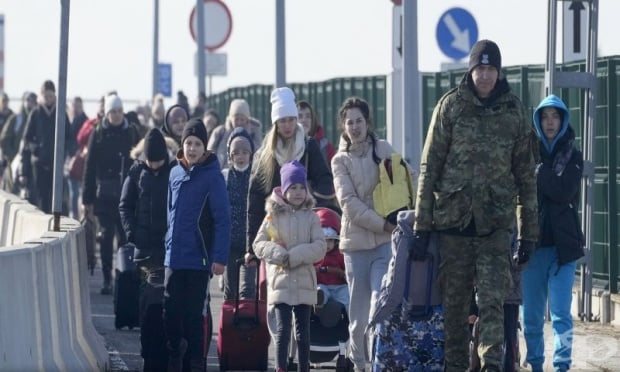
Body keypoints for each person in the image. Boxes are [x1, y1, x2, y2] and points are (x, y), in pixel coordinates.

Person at [413, 39, 539, 371]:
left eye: (491, 69)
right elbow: (430, 168)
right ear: (470, 71)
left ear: (499, 72)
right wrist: (421, 227)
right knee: (455, 315)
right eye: (479, 68)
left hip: (495, 228)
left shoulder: (514, 112)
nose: (485, 76)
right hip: (453, 227)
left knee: (493, 309)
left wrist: (528, 235)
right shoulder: (450, 107)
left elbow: (526, 177)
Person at [331, 96, 402, 372]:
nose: (355, 126)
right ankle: (359, 364)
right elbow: (348, 204)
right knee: (358, 318)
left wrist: (405, 216)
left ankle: (377, 365)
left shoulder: (383, 148)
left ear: (368, 122)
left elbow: (405, 179)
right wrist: (383, 224)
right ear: (343, 127)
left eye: (359, 120)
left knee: (379, 305)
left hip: (385, 245)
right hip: (356, 246)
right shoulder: (340, 161)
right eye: (350, 122)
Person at [521, 94, 584, 372]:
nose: (550, 122)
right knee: (532, 316)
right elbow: (521, 194)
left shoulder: (573, 154)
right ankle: (535, 364)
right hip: (531, 247)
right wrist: (543, 174)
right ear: (538, 120)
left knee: (561, 315)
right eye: (545, 117)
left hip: (563, 250)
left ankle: (562, 366)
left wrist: (539, 173)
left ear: (563, 120)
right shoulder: (526, 153)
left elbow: (564, 191)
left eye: (555, 116)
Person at [163, 118, 231, 372]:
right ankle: (174, 356)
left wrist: (219, 257)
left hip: (199, 260)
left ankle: (195, 363)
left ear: (205, 148)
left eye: (197, 144)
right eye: (188, 143)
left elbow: (223, 220)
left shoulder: (213, 178)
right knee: (170, 313)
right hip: (173, 258)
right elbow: (169, 212)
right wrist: (167, 244)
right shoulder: (174, 172)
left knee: (194, 317)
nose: (192, 148)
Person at [245, 87, 334, 265]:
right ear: (275, 123)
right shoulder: (266, 154)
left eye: (291, 120)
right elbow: (254, 200)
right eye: (282, 121)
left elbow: (325, 182)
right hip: (275, 232)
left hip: (304, 229)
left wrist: (310, 203)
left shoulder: (308, 147)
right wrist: (251, 248)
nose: (287, 125)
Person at [253, 160, 326, 372]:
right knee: (283, 331)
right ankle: (281, 368)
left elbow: (320, 247)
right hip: (281, 282)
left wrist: (294, 256)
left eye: (301, 187)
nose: (298, 192)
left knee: (303, 334)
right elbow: (259, 244)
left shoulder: (311, 217)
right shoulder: (272, 217)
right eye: (292, 187)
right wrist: (279, 254)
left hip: (304, 281)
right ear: (284, 190)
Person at [119, 128, 172, 371]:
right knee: (146, 302)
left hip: (167, 249)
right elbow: (125, 206)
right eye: (150, 161)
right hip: (143, 250)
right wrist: (132, 234)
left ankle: (157, 355)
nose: (154, 165)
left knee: (160, 304)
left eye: (158, 161)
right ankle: (148, 349)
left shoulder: (174, 173)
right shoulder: (136, 173)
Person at [82, 93, 141, 295]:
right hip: (104, 197)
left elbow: (141, 162)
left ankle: (123, 276)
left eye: (119, 111)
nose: (116, 115)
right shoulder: (98, 133)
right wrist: (86, 199)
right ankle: (107, 278)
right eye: (112, 112)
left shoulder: (132, 132)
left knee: (124, 239)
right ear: (106, 113)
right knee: (105, 238)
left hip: (126, 195)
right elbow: (89, 167)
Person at [19, 80, 71, 213]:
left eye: (50, 96)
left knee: (55, 197)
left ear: (54, 96)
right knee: (40, 197)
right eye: (45, 96)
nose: (48, 99)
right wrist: (36, 150)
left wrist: (64, 154)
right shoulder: (36, 113)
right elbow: (27, 138)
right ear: (41, 96)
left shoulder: (61, 114)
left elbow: (69, 137)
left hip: (56, 164)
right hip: (39, 163)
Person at [221, 127, 256, 300]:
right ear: (230, 156)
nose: (241, 156)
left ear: (251, 154)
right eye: (236, 153)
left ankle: (247, 325)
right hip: (230, 243)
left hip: (250, 244)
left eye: (244, 152)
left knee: (248, 290)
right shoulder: (225, 177)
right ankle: (229, 325)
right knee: (230, 290)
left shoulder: (256, 177)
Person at [208, 98, 262, 169]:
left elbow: (259, 154)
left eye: (242, 119)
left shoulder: (254, 132)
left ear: (247, 119)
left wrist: (248, 136)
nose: (239, 123)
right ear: (231, 119)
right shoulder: (220, 132)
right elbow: (209, 154)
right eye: (236, 119)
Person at [313, 207, 349, 309]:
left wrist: (345, 274)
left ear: (336, 242)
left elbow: (345, 269)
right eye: (324, 241)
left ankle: (350, 317)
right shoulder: (314, 255)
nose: (327, 245)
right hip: (322, 284)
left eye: (330, 241)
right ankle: (319, 302)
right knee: (319, 290)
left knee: (346, 295)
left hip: (339, 286)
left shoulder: (340, 254)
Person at [66, 96, 89, 219]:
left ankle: (80, 216)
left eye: (78, 106)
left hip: (81, 163)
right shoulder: (68, 121)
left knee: (80, 192)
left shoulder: (86, 122)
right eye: (74, 106)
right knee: (72, 193)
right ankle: (73, 215)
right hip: (70, 162)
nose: (76, 109)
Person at [297, 100, 335, 166]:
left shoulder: (326, 147)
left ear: (313, 120)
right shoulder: (287, 145)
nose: (304, 120)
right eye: (300, 116)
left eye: (308, 116)